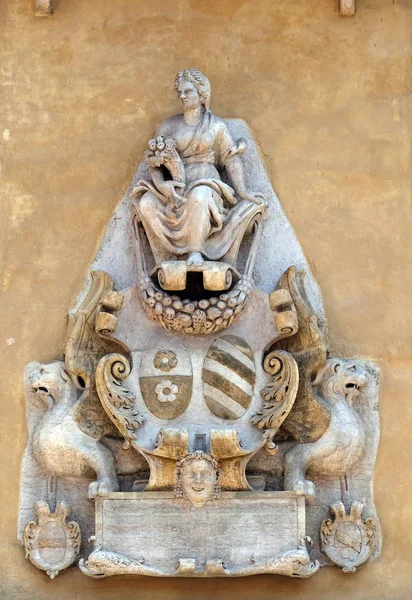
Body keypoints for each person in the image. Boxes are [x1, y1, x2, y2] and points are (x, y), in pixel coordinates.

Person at [133, 69, 266, 267]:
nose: (182, 96)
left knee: (200, 196)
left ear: (201, 94)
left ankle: (196, 251)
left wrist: (243, 191)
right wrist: (162, 185)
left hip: (206, 180)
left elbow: (231, 159)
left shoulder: (216, 125)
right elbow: (155, 162)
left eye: (188, 91)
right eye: (180, 92)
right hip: (176, 187)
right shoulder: (169, 126)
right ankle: (166, 254)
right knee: (146, 202)